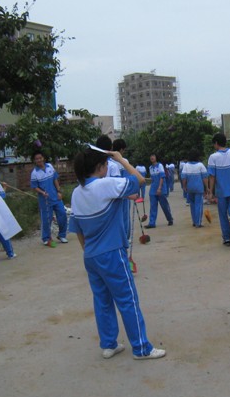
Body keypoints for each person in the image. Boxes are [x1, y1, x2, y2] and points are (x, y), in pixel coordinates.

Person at [68, 146, 166, 360]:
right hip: (112, 253)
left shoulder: (77, 192)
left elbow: (77, 228)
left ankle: (109, 344)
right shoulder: (106, 184)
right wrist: (121, 160)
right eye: (105, 165)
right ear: (100, 167)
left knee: (102, 301)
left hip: (91, 255)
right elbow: (140, 180)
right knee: (127, 300)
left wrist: (88, 251)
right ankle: (141, 348)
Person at [207, 133, 230, 249]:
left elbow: (212, 177)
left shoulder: (213, 157)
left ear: (216, 143)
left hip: (221, 192)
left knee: (223, 215)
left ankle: (227, 238)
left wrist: (210, 192)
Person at [30, 150, 68, 247]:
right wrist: (42, 192)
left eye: (40, 158)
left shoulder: (50, 166)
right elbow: (34, 187)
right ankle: (46, 238)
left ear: (43, 158)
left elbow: (55, 179)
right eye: (36, 159)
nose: (39, 160)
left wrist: (59, 191)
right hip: (45, 200)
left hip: (56, 197)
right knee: (47, 219)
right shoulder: (34, 173)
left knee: (63, 214)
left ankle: (62, 235)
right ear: (34, 160)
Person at [181, 149, 208, 227]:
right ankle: (198, 223)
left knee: (192, 205)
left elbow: (183, 177)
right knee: (198, 205)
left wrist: (184, 186)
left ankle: (194, 221)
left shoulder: (186, 165)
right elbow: (205, 177)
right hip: (199, 189)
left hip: (190, 188)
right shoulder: (200, 165)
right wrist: (207, 187)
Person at [145, 154, 173, 228]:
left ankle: (170, 219)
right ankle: (152, 223)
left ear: (156, 157)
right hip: (153, 189)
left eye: (153, 156)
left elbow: (162, 177)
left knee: (164, 206)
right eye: (150, 156)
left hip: (161, 189)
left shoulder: (160, 165)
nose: (151, 157)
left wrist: (159, 188)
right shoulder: (150, 167)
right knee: (153, 206)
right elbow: (152, 179)